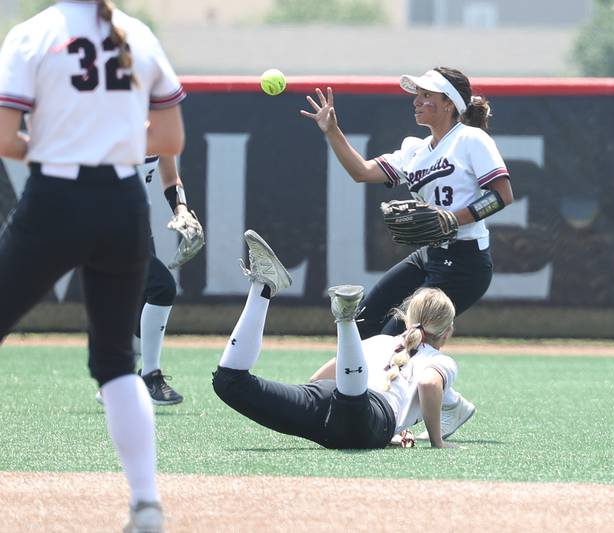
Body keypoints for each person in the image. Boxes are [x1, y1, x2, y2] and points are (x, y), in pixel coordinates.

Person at [0, 1, 186, 531]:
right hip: (122, 202)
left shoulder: (33, 34)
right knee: (113, 364)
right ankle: (146, 503)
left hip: (55, 197)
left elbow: (4, 137)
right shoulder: (138, 34)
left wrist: (62, 141)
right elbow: (170, 140)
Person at [301, 67, 513, 440]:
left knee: (393, 341)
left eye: (426, 94)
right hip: (429, 255)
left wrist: (452, 217)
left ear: (449, 103)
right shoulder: (415, 149)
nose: (416, 101)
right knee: (364, 325)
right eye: (416, 94)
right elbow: (362, 172)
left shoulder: (471, 140)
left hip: (465, 263)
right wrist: (331, 131)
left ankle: (387, 417)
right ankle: (450, 402)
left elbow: (501, 194)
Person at [212, 230, 459, 449]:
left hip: (327, 400)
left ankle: (263, 286)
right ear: (447, 331)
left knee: (230, 384)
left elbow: (317, 379)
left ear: (406, 320)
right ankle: (345, 318)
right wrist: (437, 442)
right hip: (363, 419)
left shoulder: (379, 342)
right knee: (352, 407)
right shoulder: (440, 360)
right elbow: (429, 384)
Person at [95, 154, 204, 406]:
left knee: (141, 299)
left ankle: (115, 381)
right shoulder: (108, 122)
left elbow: (170, 177)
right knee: (162, 287)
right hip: (103, 223)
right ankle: (150, 376)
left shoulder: (160, 122)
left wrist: (182, 211)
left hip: (134, 224)